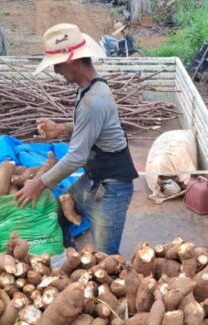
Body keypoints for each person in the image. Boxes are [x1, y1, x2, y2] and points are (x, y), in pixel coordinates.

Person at [15, 23, 138, 255]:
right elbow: (91, 129)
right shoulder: (88, 89)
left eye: (57, 65)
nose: (56, 71)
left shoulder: (95, 101)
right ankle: (71, 259)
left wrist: (38, 183)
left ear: (71, 60)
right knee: (60, 210)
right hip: (92, 180)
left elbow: (76, 157)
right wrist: (61, 128)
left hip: (111, 189)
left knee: (105, 258)